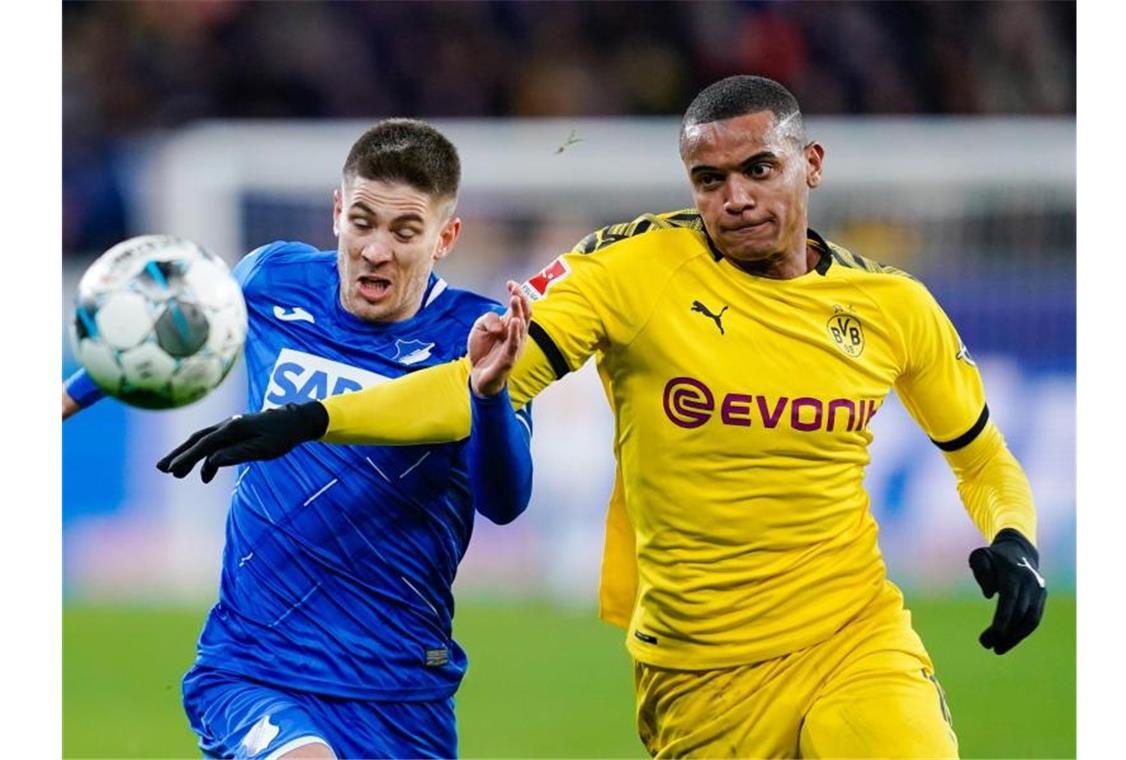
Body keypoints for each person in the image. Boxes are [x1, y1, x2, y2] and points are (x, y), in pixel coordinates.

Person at [160, 77, 1048, 758]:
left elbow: (980, 457)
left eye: (757, 169)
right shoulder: (627, 270)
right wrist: (317, 419)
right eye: (710, 178)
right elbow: (484, 380)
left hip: (852, 632)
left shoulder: (894, 306)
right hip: (697, 671)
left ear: (808, 165)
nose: (734, 196)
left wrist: (1014, 538)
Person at [68, 118, 537, 759]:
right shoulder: (275, 279)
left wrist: (488, 396)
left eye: (405, 232)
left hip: (401, 688)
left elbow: (505, 502)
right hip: (254, 665)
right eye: (364, 222)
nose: (376, 250)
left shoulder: (477, 337)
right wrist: (59, 402)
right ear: (338, 211)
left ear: (445, 237)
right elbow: (153, 332)